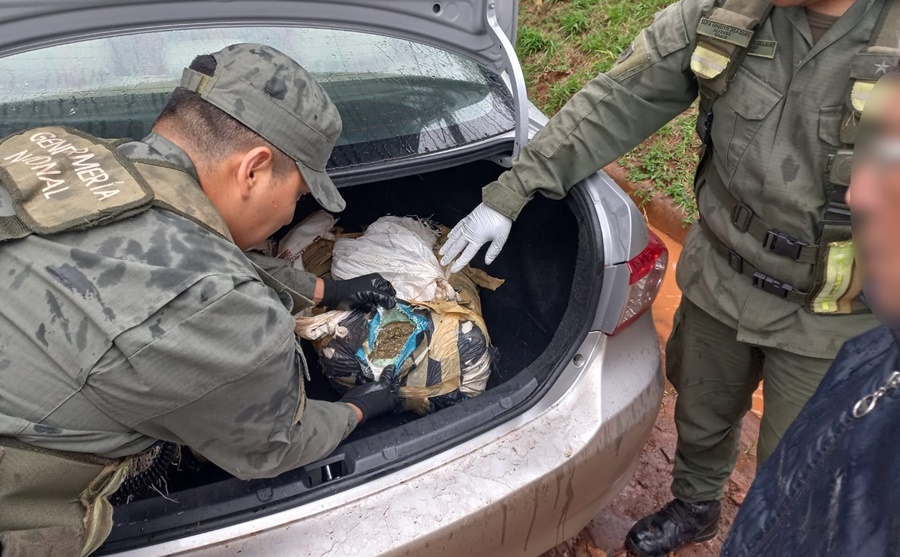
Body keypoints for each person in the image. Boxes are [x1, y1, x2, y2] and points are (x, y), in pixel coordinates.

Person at [440, 0, 892, 555]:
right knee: (701, 412)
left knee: (802, 470)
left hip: (835, 318)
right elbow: (618, 99)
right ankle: (697, 506)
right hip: (720, 276)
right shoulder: (726, 13)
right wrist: (513, 191)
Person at [0, 43, 398, 556]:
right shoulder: (233, 319)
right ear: (253, 169)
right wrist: (358, 411)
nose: (290, 214)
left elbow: (176, 240)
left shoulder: (53, 153)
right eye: (299, 195)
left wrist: (328, 291)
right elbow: (275, 445)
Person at [721, 71, 900, 557]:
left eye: (891, 158)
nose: (856, 194)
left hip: (824, 320)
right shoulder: (872, 356)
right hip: (722, 285)